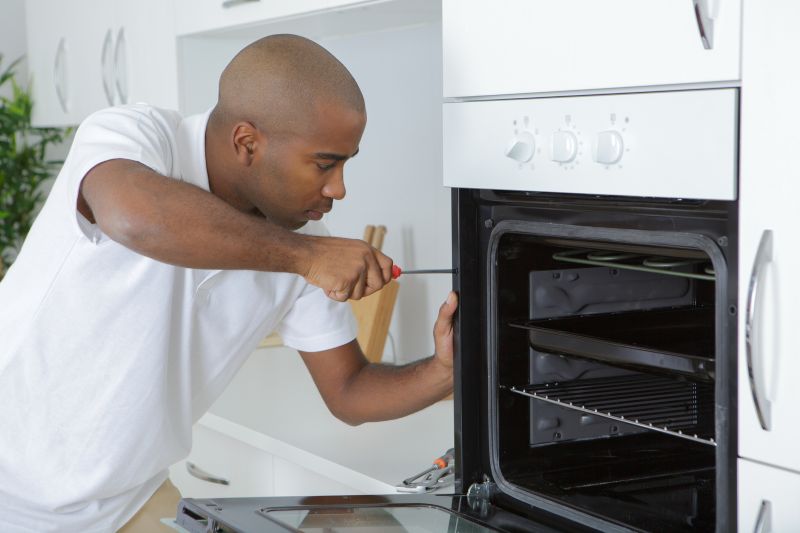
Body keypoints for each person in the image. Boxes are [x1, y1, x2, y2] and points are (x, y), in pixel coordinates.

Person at [0, 34, 457, 532]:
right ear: (247, 143)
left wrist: (443, 369)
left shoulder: (305, 244)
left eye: (346, 163)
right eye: (325, 163)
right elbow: (134, 217)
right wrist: (306, 257)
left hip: (126, 501)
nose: (339, 188)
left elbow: (349, 392)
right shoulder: (136, 136)